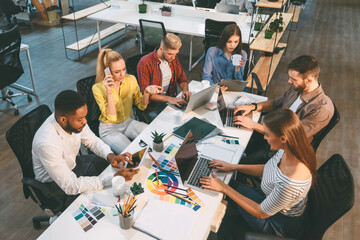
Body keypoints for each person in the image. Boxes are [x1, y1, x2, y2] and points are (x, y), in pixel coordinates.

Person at [200, 109, 316, 239]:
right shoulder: (288, 150)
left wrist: (223, 188)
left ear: (283, 138)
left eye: (267, 135)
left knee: (218, 210)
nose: (264, 138)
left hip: (275, 222)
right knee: (226, 186)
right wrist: (233, 167)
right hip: (266, 199)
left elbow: (260, 212)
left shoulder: (290, 182)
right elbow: (268, 169)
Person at [32, 90, 139, 207]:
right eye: (80, 119)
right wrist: (112, 179)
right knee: (97, 199)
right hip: (54, 184)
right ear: (63, 120)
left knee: (104, 165)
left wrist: (111, 156)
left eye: (84, 117)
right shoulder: (47, 143)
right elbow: (70, 186)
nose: (85, 121)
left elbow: (92, 141)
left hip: (72, 165)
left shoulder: (74, 120)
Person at [234, 55, 334, 164]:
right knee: (234, 139)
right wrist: (253, 106)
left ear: (309, 81)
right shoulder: (297, 88)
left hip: (282, 151)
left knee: (236, 162)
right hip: (271, 135)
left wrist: (254, 125)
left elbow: (289, 136)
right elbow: (276, 103)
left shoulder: (322, 109)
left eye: (293, 79)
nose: (289, 81)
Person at [93, 49, 163, 154]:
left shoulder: (130, 79)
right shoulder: (98, 88)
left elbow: (141, 106)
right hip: (109, 129)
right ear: (107, 71)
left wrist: (147, 92)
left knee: (156, 137)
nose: (122, 74)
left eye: (124, 69)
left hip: (127, 122)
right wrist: (109, 91)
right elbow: (112, 117)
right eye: (117, 72)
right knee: (133, 154)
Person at [137, 33, 192, 108]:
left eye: (175, 54)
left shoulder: (173, 58)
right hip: (153, 105)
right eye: (170, 54)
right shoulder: (144, 63)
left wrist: (185, 90)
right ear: (161, 48)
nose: (173, 57)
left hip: (170, 98)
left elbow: (181, 78)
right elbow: (145, 93)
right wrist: (169, 99)